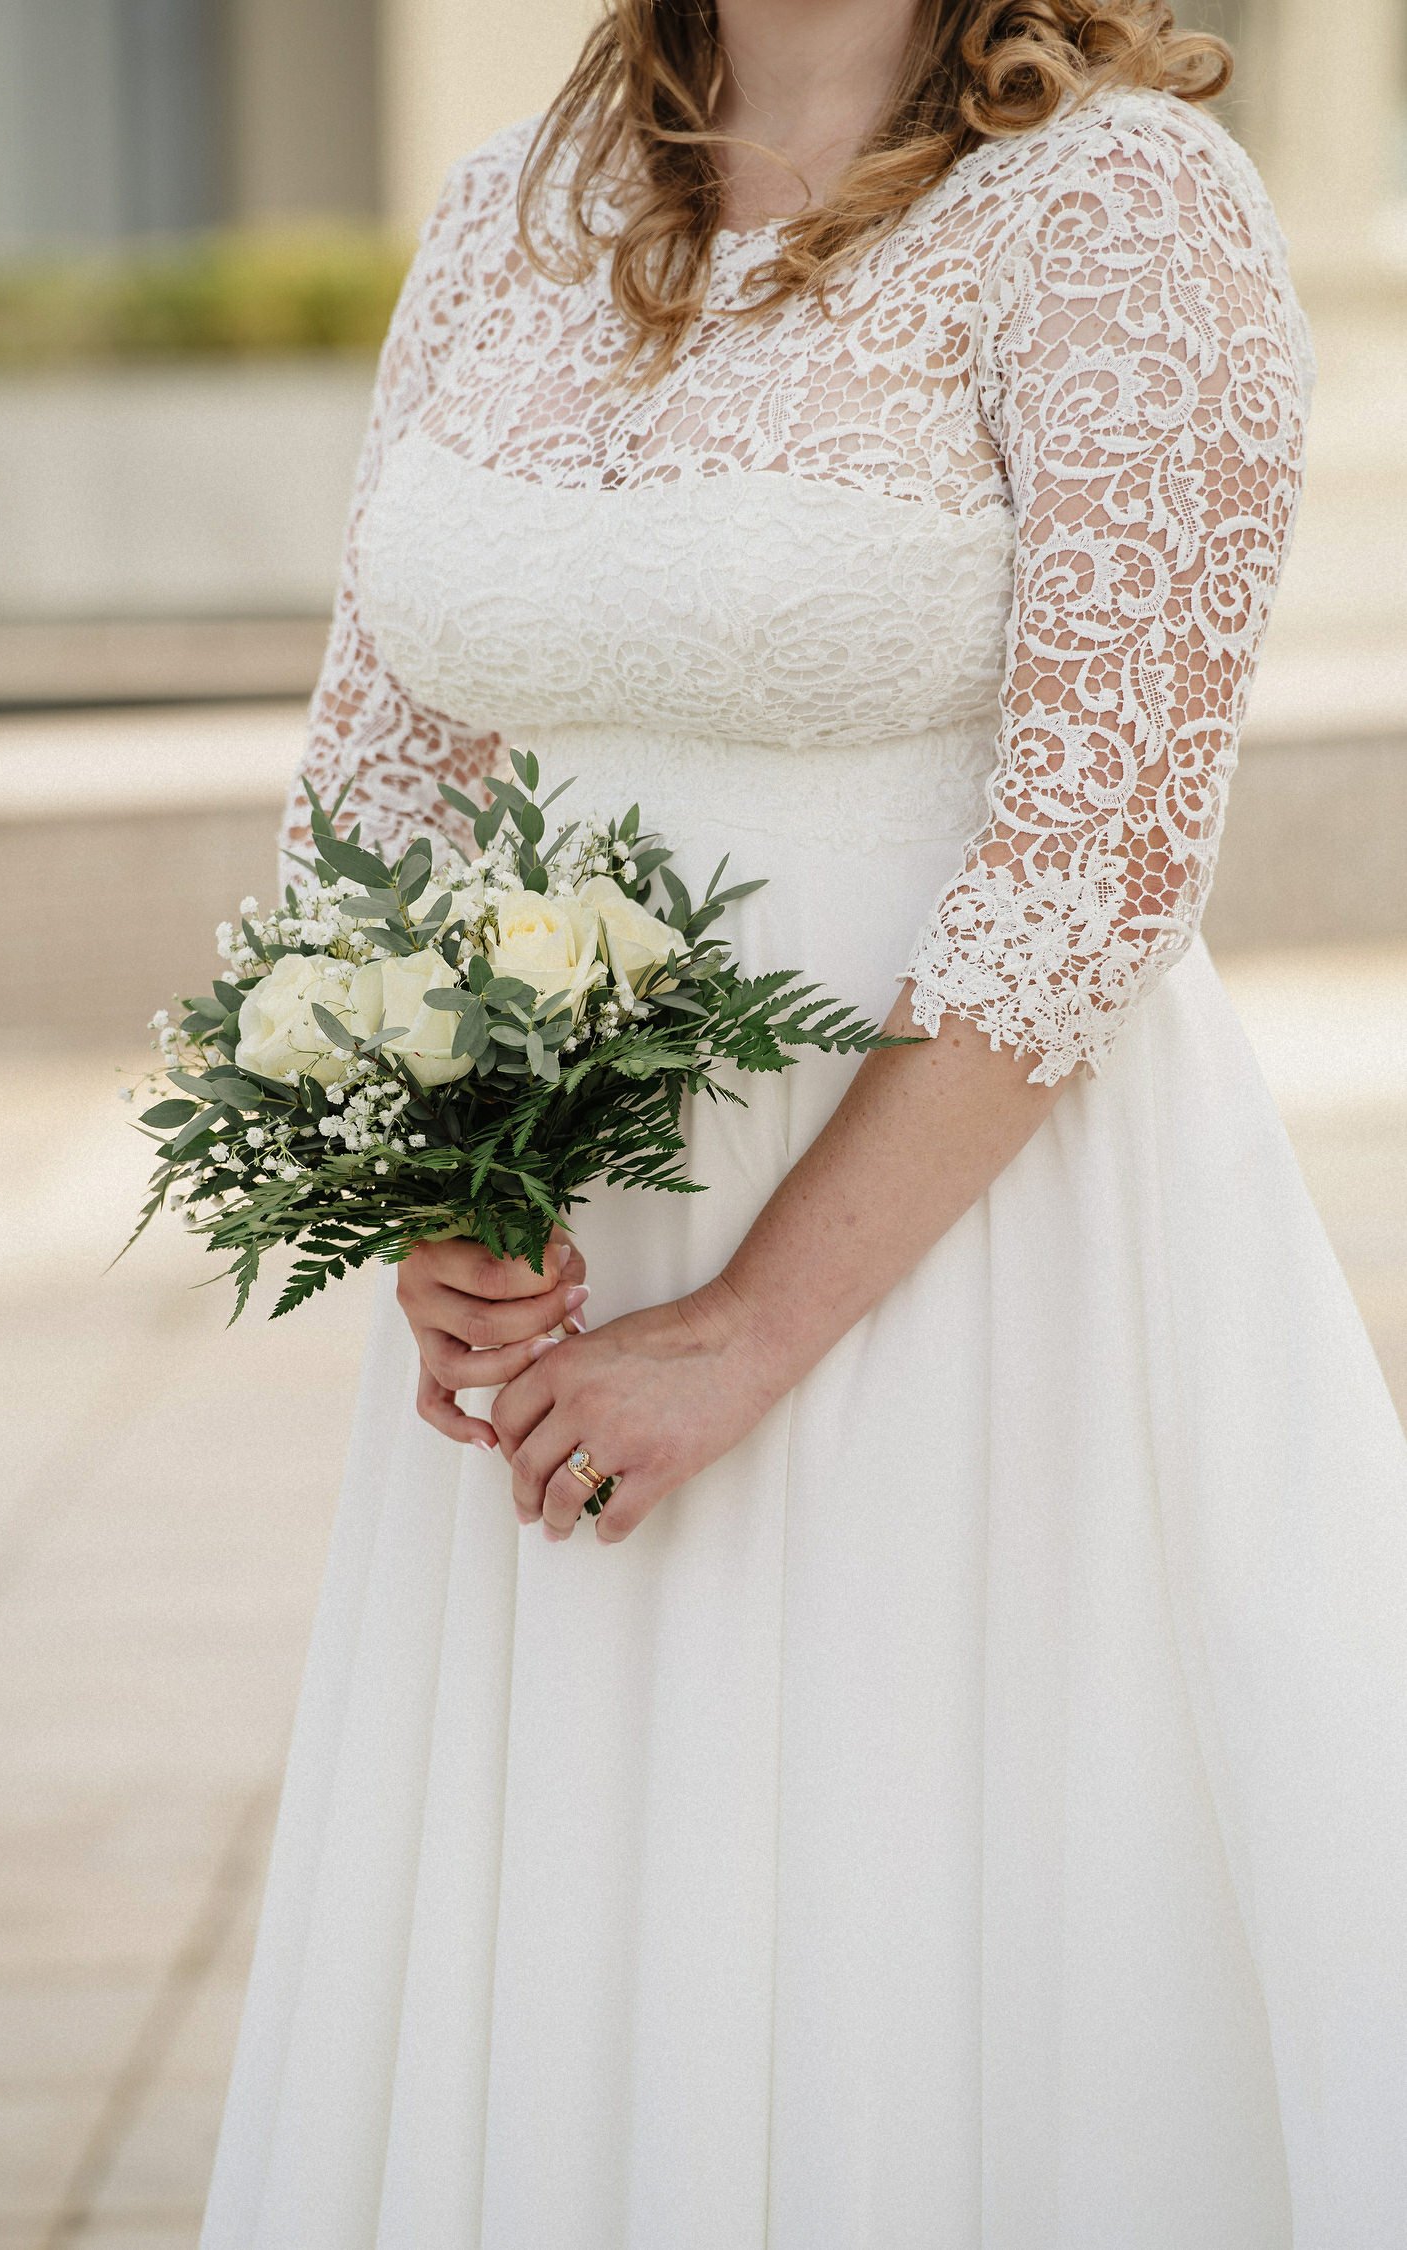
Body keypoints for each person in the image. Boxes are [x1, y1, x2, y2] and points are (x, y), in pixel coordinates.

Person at [200, 3, 1407, 2243]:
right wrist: (418, 1185)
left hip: (961, 1280)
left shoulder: (1120, 211)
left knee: (919, 1948)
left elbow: (1104, 852)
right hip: (554, 1288)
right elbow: (376, 781)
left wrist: (750, 1328)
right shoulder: (501, 220)